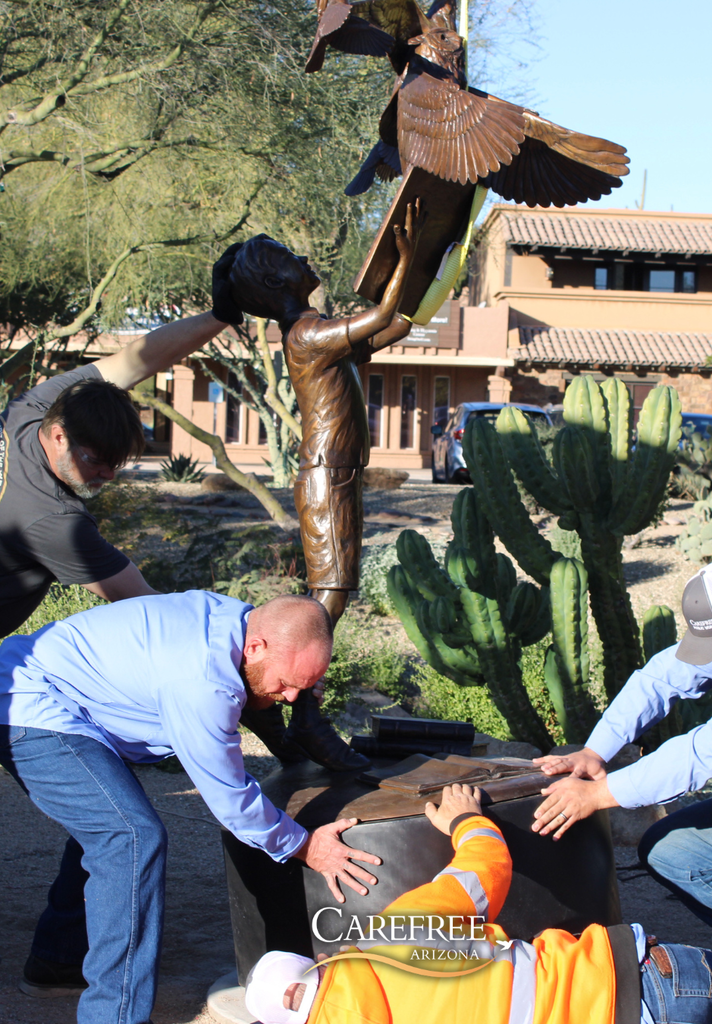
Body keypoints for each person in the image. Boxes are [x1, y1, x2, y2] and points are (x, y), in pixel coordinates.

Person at [0, 591, 381, 1024]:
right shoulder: (203, 680)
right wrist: (307, 846)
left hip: (60, 699)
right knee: (130, 837)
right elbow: (232, 801)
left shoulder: (240, 627)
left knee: (111, 820)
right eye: (287, 683)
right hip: (28, 702)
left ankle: (59, 959)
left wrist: (293, 695)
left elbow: (258, 693)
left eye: (304, 686)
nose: (292, 697)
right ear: (256, 648)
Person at [245, 783, 712, 1024]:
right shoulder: (396, 936)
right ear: (320, 963)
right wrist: (466, 820)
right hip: (648, 980)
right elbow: (485, 868)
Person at [532, 559, 712, 976]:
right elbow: (660, 678)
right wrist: (596, 751)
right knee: (670, 851)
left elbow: (706, 751)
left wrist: (599, 795)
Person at [226, 199, 424, 771]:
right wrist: (406, 257)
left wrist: (430, 269)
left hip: (336, 472)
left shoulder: (316, 334)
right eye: (290, 257)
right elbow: (382, 312)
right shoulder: (308, 333)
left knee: (332, 594)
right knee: (328, 597)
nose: (305, 258)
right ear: (274, 283)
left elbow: (395, 324)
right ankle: (299, 716)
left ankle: (278, 713)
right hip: (326, 475)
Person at [0, 244, 246, 637]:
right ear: (60, 436)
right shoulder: (53, 521)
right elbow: (145, 605)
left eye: (114, 465)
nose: (108, 476)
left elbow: (136, 360)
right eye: (96, 461)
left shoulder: (33, 410)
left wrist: (220, 316)